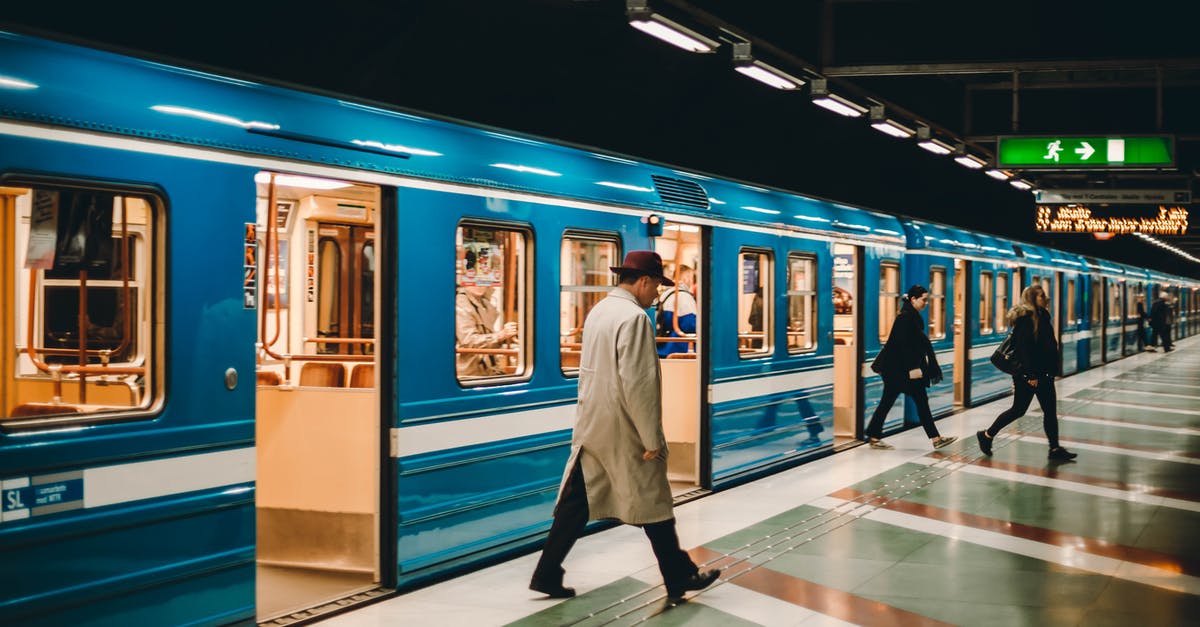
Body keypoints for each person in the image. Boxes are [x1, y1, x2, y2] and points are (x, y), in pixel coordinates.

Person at [530, 251, 720, 602]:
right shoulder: (634, 318)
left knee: (578, 501)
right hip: (625, 428)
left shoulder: (599, 311)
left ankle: (546, 572)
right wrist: (652, 437)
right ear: (644, 281)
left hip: (594, 424)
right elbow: (639, 383)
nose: (656, 296)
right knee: (655, 504)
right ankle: (679, 577)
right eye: (656, 288)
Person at [977, 285, 1078, 460]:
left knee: (1050, 411)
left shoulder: (1043, 315)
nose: (1045, 298)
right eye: (1041, 296)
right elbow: (1024, 350)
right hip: (1029, 375)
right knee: (1018, 410)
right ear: (1032, 298)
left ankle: (1054, 449)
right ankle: (986, 435)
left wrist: (1052, 369)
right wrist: (1029, 375)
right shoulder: (1025, 319)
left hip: (1044, 373)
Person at [864, 285, 957, 450]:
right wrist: (913, 368)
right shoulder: (906, 317)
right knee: (920, 402)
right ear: (913, 299)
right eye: (924, 299)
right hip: (900, 370)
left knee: (891, 402)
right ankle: (936, 438)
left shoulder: (910, 316)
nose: (926, 303)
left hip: (896, 370)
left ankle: (874, 435)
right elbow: (903, 345)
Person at [455, 285, 518, 376]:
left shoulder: (485, 303)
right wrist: (500, 335)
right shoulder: (461, 303)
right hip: (470, 373)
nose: (480, 285)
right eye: (475, 280)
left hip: (487, 369)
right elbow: (469, 341)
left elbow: (488, 340)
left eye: (483, 280)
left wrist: (505, 337)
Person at [657, 265, 697, 357]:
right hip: (679, 349)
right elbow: (690, 325)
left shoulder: (665, 295)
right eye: (691, 277)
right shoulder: (684, 296)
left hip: (663, 347)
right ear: (686, 278)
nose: (692, 281)